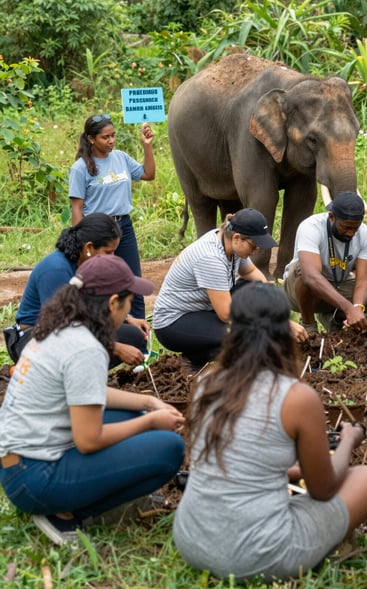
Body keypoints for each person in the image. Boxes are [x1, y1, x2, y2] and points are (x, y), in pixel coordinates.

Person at [173, 282, 367, 581]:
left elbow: (240, 463)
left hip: (191, 539)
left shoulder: (206, 385)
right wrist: (348, 440)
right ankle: (328, 545)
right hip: (259, 555)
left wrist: (295, 471)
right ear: (285, 332)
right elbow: (323, 490)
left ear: (232, 331)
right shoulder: (295, 396)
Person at [0, 255, 185, 546]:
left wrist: (147, 404)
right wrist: (151, 421)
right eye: (128, 302)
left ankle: (68, 497)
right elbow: (88, 440)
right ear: (113, 303)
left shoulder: (59, 327)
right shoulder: (85, 348)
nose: (128, 308)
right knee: (170, 448)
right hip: (35, 478)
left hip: (16, 464)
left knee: (137, 420)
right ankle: (64, 513)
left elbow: (86, 393)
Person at [9, 213, 148, 367]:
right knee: (93, 348)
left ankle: (84, 374)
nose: (113, 256)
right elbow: (61, 327)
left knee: (133, 335)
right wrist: (116, 348)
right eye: (108, 252)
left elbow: (96, 305)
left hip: (72, 326)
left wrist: (128, 319)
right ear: (89, 247)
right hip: (36, 336)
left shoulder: (89, 265)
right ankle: (68, 378)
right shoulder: (56, 269)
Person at [153, 209, 283, 371]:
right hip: (174, 322)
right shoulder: (210, 257)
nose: (256, 251)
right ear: (237, 238)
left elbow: (250, 272)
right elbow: (226, 314)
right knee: (247, 337)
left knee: (257, 289)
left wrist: (270, 297)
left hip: (203, 309)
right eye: (254, 246)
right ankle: (194, 359)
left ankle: (199, 349)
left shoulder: (229, 241)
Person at [69, 113, 155, 320]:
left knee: (132, 279)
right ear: (91, 139)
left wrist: (147, 146)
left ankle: (141, 340)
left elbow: (148, 174)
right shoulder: (80, 168)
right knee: (103, 283)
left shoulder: (121, 157)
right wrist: (80, 243)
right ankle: (108, 334)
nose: (111, 141)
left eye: (113, 136)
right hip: (97, 231)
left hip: (124, 226)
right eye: (105, 137)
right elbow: (77, 209)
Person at [283, 192, 367, 335]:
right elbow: (311, 277)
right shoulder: (310, 227)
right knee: (305, 272)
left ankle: (333, 319)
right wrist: (348, 308)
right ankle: (308, 324)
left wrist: (357, 308)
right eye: (346, 227)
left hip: (338, 284)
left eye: (355, 228)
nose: (350, 233)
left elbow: (363, 280)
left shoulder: (365, 234)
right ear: (331, 217)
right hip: (299, 290)